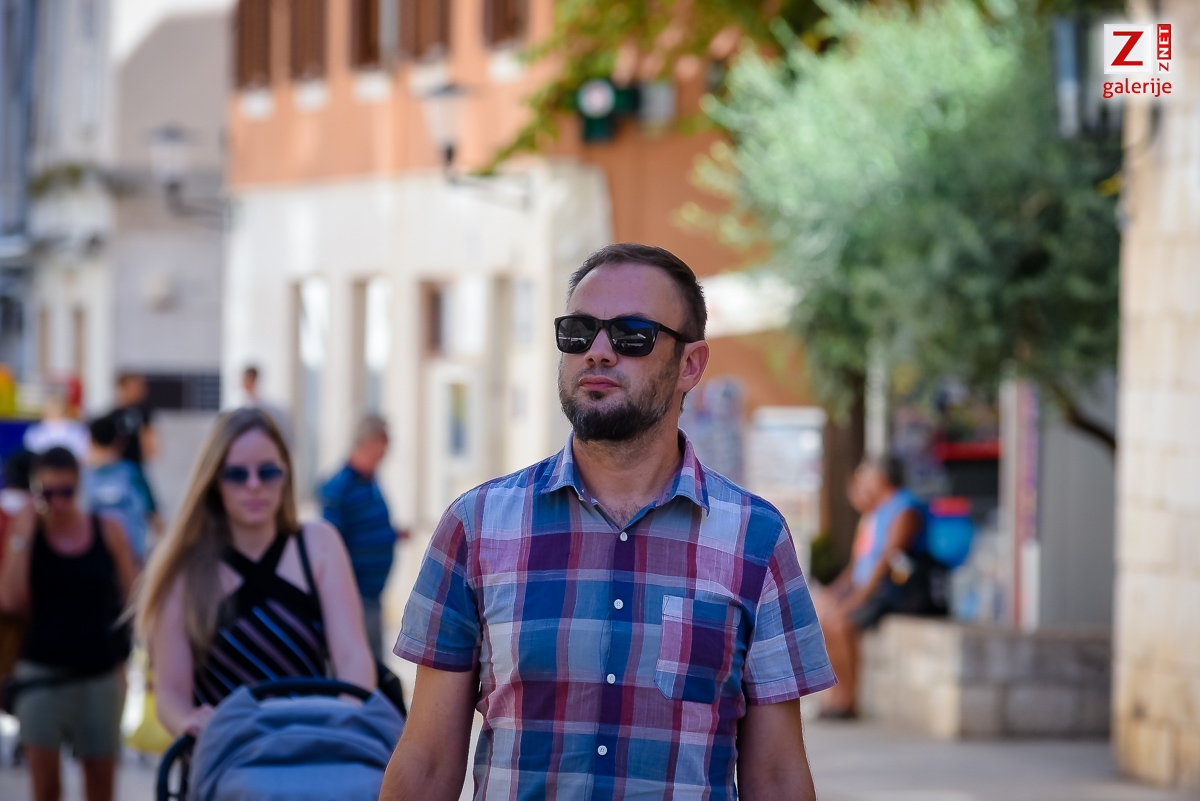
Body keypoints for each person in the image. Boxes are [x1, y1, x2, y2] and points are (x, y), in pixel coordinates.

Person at [381, 243, 835, 801]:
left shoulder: (756, 541)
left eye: (631, 335)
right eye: (578, 332)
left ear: (690, 365)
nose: (597, 352)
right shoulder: (475, 528)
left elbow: (779, 776)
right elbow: (426, 763)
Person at [134, 407, 375, 737]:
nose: (253, 485)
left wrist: (344, 720)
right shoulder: (183, 568)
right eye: (236, 474)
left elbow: (352, 656)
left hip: (313, 746)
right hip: (229, 751)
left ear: (286, 474)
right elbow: (171, 693)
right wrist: (191, 723)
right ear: (214, 481)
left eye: (268, 472)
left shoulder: (319, 545)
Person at [0, 447, 137, 801]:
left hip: (99, 673)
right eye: (48, 493)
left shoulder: (107, 530)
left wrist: (124, 659)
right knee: (45, 789)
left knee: (101, 787)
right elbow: (9, 599)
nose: (58, 502)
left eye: (66, 491)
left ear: (79, 486)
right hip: (40, 675)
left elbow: (133, 597)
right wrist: (22, 534)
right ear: (35, 491)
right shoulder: (28, 532)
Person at [814, 455, 946, 717]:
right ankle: (836, 694)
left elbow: (888, 559)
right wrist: (834, 592)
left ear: (881, 478)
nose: (860, 484)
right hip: (868, 589)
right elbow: (858, 564)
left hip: (891, 591)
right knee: (825, 622)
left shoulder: (904, 508)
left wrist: (857, 599)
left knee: (840, 623)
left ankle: (848, 701)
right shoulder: (874, 513)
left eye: (864, 477)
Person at [319, 414, 401, 661]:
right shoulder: (340, 487)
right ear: (372, 442)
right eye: (385, 442)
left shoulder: (371, 482)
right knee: (359, 663)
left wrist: (389, 535)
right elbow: (330, 544)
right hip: (353, 598)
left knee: (375, 666)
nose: (387, 450)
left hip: (372, 596)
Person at [84, 415, 150, 564]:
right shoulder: (132, 472)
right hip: (132, 554)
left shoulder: (82, 477)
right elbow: (152, 513)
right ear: (117, 440)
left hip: (95, 558)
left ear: (91, 440)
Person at [111, 372, 159, 526]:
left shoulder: (142, 411)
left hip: (135, 465)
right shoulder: (113, 414)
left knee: (147, 502)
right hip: (118, 468)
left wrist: (150, 451)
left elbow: (148, 435)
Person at [23, 387, 89, 460]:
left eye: (56, 405)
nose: (54, 408)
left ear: (63, 408)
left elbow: (82, 455)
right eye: (51, 405)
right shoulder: (34, 433)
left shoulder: (77, 431)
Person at [241, 364, 291, 440]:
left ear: (252, 379)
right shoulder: (243, 404)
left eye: (245, 379)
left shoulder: (270, 409)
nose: (243, 383)